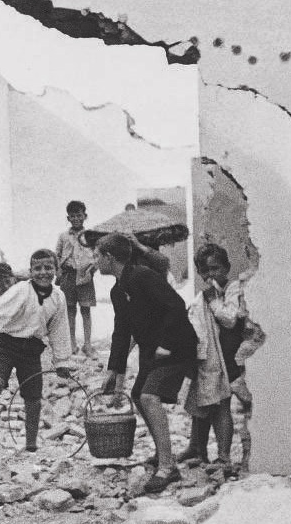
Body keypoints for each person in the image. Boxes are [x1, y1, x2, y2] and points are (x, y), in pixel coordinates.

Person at [95, 233, 198, 494]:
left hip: (175, 347)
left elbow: (176, 304)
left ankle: (168, 467)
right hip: (152, 352)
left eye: (97, 255)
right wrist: (113, 369)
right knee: (138, 396)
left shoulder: (143, 275)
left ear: (109, 257)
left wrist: (165, 344)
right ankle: (160, 453)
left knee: (149, 396)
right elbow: (121, 331)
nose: (95, 261)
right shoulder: (118, 290)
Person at [0, 250, 74, 451]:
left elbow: (59, 329)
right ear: (30, 271)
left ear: (56, 270)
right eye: (37, 268)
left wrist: (62, 361)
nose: (43, 273)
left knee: (33, 397)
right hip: (6, 345)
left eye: (48, 268)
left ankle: (31, 443)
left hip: (32, 351)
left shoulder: (58, 297)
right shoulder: (22, 289)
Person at [179, 244, 255, 471]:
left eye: (216, 268)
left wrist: (213, 301)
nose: (211, 274)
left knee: (221, 403)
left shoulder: (233, 290)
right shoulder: (207, 295)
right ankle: (197, 448)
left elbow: (230, 319)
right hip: (210, 357)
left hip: (228, 357)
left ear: (227, 268)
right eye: (205, 270)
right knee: (202, 398)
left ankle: (223, 456)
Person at [54, 200, 98, 357]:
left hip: (85, 276)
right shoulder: (63, 236)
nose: (76, 219)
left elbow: (97, 255)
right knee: (70, 310)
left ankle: (87, 345)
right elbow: (56, 256)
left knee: (85, 310)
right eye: (72, 216)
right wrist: (58, 272)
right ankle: (72, 343)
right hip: (68, 275)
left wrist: (92, 270)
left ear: (85, 216)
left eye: (79, 215)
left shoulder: (90, 235)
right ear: (68, 218)